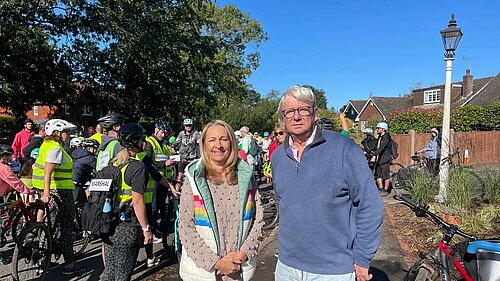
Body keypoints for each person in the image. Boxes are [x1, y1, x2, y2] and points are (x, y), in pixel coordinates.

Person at [271, 85, 384, 281]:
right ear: (283, 118)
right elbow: (284, 205)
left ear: (314, 113)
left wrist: (362, 257)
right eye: (289, 112)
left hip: (333, 270)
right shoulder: (278, 157)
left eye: (303, 110)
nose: (296, 117)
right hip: (287, 267)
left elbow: (370, 205)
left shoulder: (344, 149)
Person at [178, 120, 263, 281]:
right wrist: (216, 262)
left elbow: (258, 220)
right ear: (204, 145)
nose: (218, 144)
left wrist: (243, 253)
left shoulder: (246, 176)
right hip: (204, 272)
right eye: (212, 140)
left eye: (224, 139)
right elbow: (185, 226)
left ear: (232, 142)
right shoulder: (194, 178)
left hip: (238, 268)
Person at [101, 123, 153, 280]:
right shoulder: (137, 167)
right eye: (143, 139)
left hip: (109, 224)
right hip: (127, 226)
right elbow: (137, 201)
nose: (145, 142)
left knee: (109, 272)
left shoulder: (113, 162)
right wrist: (146, 229)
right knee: (123, 275)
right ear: (136, 142)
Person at [32, 119, 84, 275]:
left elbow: (37, 166)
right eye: (66, 132)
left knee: (49, 225)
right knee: (66, 225)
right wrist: (47, 194)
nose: (68, 135)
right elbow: (48, 171)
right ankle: (69, 263)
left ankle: (42, 263)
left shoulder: (46, 145)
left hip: (51, 189)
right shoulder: (56, 148)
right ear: (57, 133)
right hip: (59, 191)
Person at [144, 120, 178, 258]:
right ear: (156, 129)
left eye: (165, 133)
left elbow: (166, 159)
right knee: (152, 212)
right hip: (152, 184)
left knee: (162, 212)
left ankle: (162, 239)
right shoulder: (149, 143)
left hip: (163, 182)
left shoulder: (163, 145)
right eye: (162, 132)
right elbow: (148, 163)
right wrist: (165, 163)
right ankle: (150, 248)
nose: (164, 135)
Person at [172, 118, 201, 190]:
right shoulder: (181, 134)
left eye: (189, 125)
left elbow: (200, 143)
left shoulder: (196, 134)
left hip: (192, 158)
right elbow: (176, 142)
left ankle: (193, 190)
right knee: (179, 175)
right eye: (186, 125)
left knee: (192, 176)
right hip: (182, 158)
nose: (188, 127)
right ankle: (176, 191)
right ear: (184, 126)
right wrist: (172, 148)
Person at [71, 138, 99, 202]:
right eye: (95, 148)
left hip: (72, 181)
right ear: (89, 148)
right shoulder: (90, 158)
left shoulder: (75, 154)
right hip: (78, 184)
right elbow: (99, 168)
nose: (97, 150)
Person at [370, 122, 393, 196]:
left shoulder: (386, 137)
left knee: (385, 175)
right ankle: (380, 188)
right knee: (377, 174)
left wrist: (374, 154)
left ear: (383, 129)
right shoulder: (380, 137)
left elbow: (382, 148)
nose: (377, 130)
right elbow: (375, 146)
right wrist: (368, 151)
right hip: (379, 159)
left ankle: (386, 190)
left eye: (378, 128)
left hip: (385, 159)